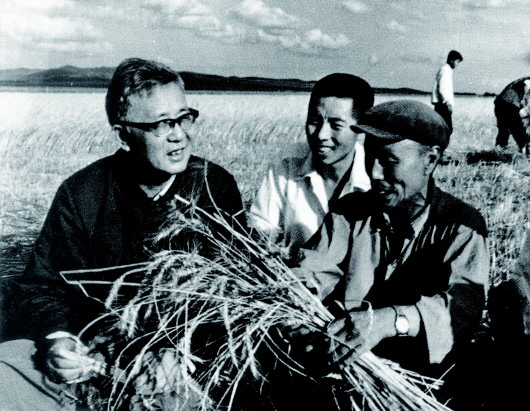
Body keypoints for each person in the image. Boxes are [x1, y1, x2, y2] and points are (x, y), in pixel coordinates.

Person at [0, 57, 245, 410]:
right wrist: (59, 341)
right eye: (161, 124)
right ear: (123, 135)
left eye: (184, 117)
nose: (179, 134)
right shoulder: (82, 193)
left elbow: (232, 294)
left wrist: (179, 350)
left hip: (176, 368)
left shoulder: (214, 188)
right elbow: (43, 285)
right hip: (89, 360)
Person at [291, 100, 489, 408]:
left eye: (389, 161)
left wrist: (389, 321)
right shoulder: (349, 214)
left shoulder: (461, 227)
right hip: (344, 376)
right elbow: (311, 272)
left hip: (422, 385)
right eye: (369, 157)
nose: (374, 172)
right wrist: (298, 305)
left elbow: (460, 311)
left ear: (430, 160)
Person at [249, 73, 374, 260]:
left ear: (361, 127)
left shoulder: (375, 175)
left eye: (336, 125)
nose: (321, 135)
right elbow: (262, 230)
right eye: (315, 121)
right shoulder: (287, 162)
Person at [494, 76, 530, 155]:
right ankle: (525, 156)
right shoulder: (527, 82)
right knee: (521, 136)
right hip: (510, 106)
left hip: (499, 104)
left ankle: (498, 153)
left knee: (504, 131)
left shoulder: (522, 80)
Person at [431, 50, 463, 134]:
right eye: (457, 62)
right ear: (451, 60)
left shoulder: (445, 70)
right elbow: (443, 88)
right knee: (446, 129)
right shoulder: (446, 70)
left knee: (443, 129)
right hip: (443, 104)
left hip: (442, 103)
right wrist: (447, 102)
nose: (457, 64)